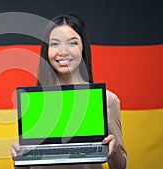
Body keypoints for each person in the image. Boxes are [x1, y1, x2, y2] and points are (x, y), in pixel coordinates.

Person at [11, 14, 128, 169]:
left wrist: (113, 153)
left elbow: (121, 167)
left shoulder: (107, 100)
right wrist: (18, 157)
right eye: (55, 44)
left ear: (83, 48)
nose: (63, 51)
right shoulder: (34, 101)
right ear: (47, 50)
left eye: (72, 43)